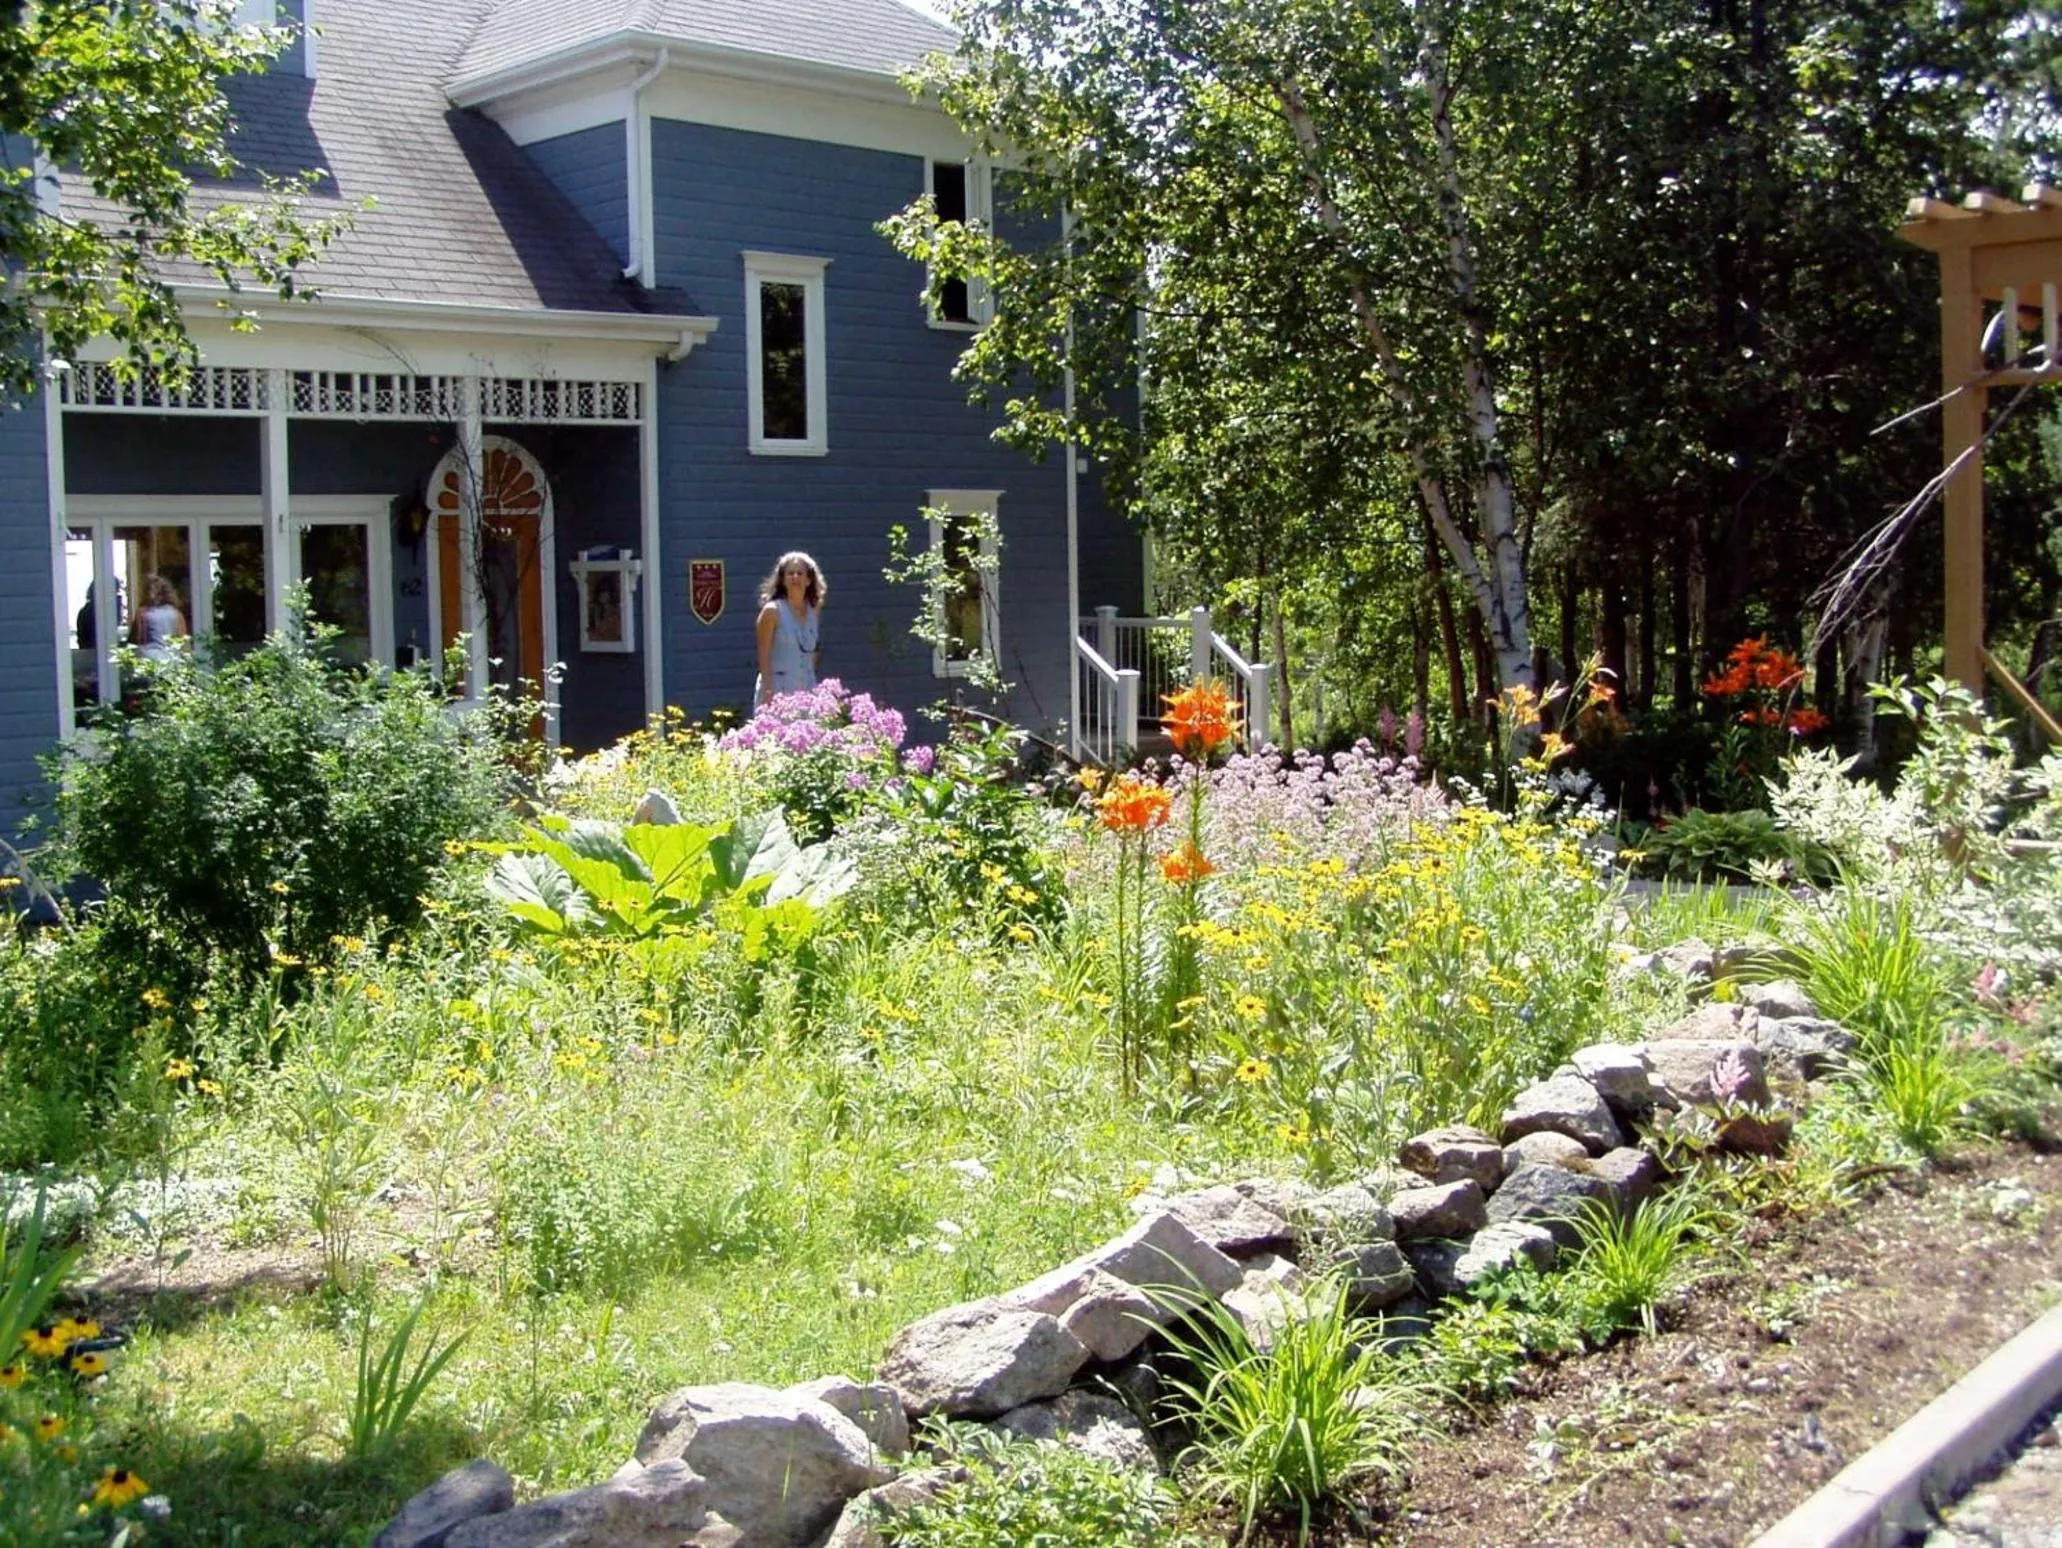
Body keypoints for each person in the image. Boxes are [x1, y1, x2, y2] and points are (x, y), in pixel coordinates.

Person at [754, 550, 824, 706]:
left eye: (800, 573)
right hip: (778, 692)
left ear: (809, 580)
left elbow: (814, 651)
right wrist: (768, 691)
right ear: (782, 580)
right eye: (790, 573)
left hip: (807, 692)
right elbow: (763, 655)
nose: (795, 577)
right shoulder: (772, 611)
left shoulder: (814, 610)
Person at [129, 573, 188, 662]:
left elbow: (136, 638)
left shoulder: (142, 613)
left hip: (149, 659)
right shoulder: (176, 613)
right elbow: (183, 640)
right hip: (172, 660)